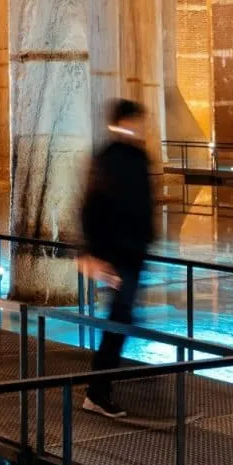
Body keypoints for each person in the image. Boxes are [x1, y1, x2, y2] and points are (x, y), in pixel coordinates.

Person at [78, 98, 155, 419]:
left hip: (134, 251)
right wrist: (92, 253)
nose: (140, 127)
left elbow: (144, 203)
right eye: (135, 121)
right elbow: (92, 206)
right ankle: (97, 392)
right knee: (119, 319)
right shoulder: (109, 158)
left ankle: (103, 385)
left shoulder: (138, 156)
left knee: (123, 318)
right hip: (116, 254)